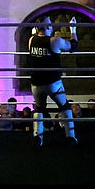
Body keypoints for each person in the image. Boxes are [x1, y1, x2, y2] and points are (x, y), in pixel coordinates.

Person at [27, 16, 79, 147]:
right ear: (49, 27)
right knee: (64, 106)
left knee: (39, 108)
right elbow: (73, 46)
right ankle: (70, 137)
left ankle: (37, 137)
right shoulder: (55, 40)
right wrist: (73, 29)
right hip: (53, 83)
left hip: (36, 83)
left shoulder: (31, 40)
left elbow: (36, 38)